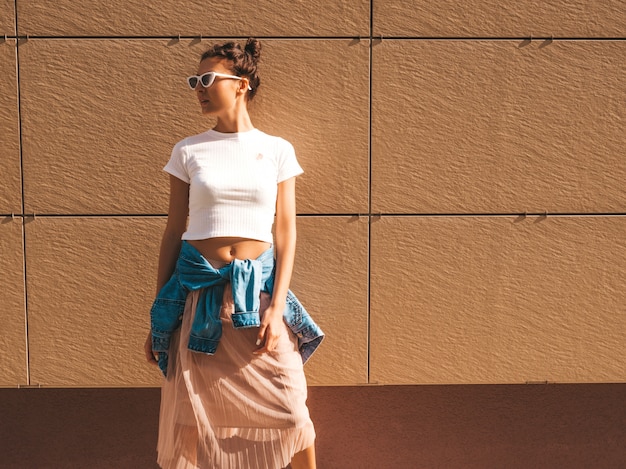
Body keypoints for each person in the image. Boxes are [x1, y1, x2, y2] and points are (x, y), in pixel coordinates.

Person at [144, 38, 324, 469]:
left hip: (257, 296)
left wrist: (277, 308)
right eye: (194, 81)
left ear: (241, 84)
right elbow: (173, 231)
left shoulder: (277, 149)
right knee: (190, 417)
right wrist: (158, 317)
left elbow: (286, 231)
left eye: (207, 79)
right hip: (198, 297)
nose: (199, 88)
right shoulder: (188, 150)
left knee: (292, 410)